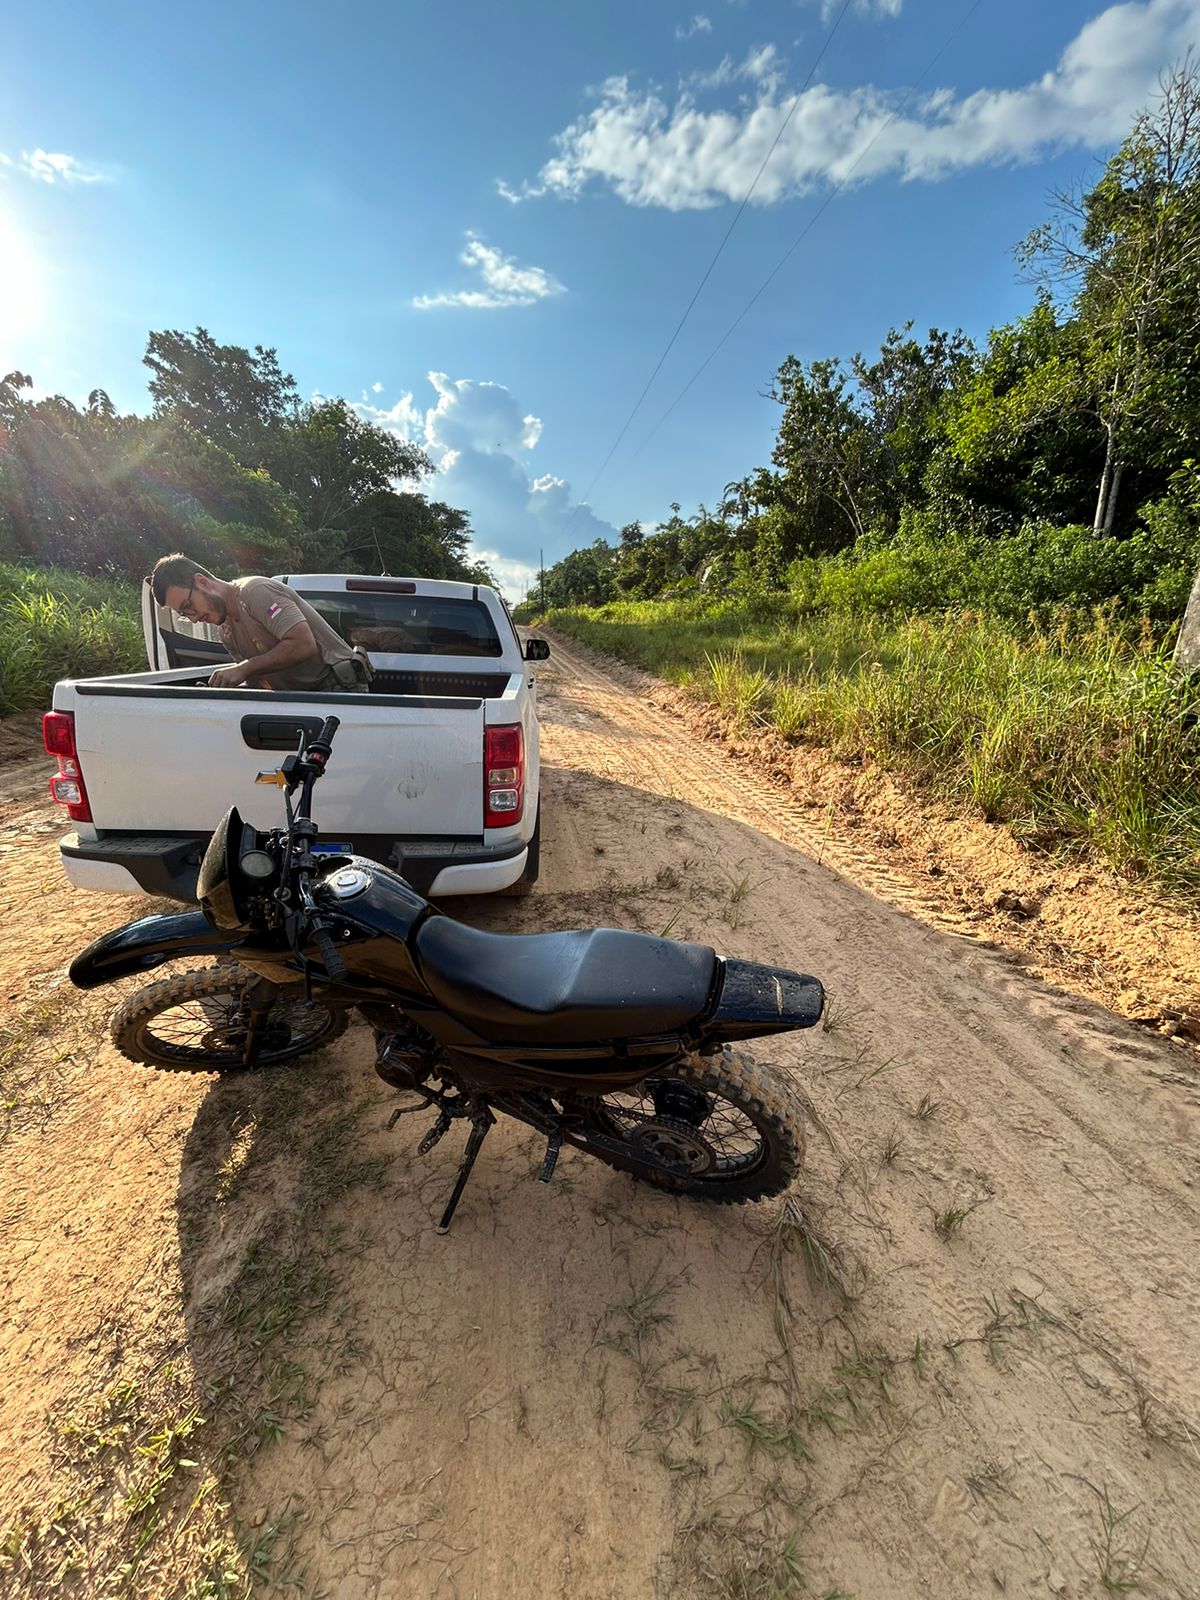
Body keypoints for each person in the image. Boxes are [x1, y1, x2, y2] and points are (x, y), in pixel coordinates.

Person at [149, 554, 371, 693]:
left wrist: (244, 668)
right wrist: (224, 690)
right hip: (301, 699)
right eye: (184, 615)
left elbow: (303, 644)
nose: (194, 618)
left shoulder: (255, 592)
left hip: (340, 691)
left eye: (189, 606)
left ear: (202, 581)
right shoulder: (226, 631)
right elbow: (259, 681)